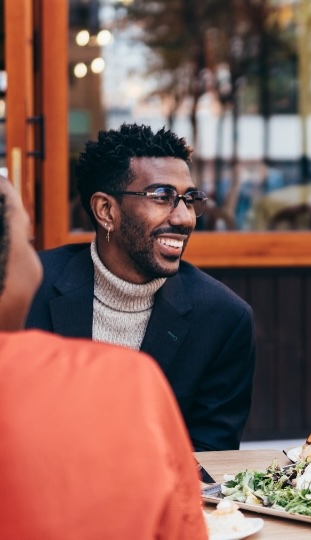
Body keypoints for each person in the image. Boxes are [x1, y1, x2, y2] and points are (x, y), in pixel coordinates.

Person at [26, 123, 255, 451]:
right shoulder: (30, 289)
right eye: (163, 197)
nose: (185, 218)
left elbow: (208, 457)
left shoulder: (223, 318)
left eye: (189, 200)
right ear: (106, 210)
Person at [0, 177, 206, 538]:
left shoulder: (220, 312)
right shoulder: (124, 380)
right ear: (105, 210)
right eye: (27, 241)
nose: (184, 216)